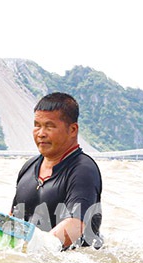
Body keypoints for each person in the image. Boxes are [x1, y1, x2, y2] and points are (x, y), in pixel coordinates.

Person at [11, 92, 103, 250]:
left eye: (49, 126)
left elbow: (75, 225)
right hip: (34, 262)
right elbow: (13, 221)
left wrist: (35, 249)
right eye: (37, 125)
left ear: (73, 129)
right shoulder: (28, 167)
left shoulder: (83, 170)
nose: (41, 133)